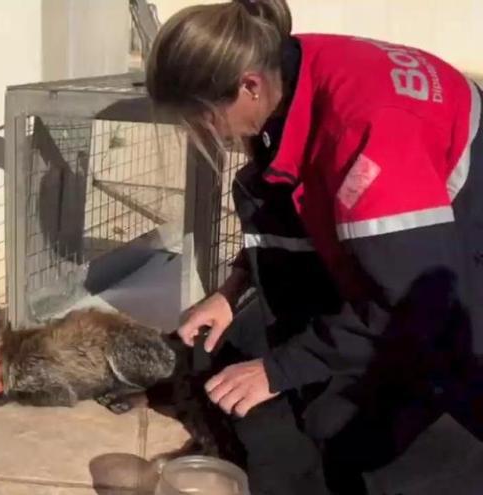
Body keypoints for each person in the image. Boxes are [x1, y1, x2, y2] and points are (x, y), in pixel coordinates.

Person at [146, 0, 482, 493]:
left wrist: (279, 370)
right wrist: (232, 289)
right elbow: (296, 210)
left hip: (453, 249)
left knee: (402, 430)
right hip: (411, 235)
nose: (205, 133)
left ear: (249, 86)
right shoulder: (288, 69)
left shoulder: (370, 138)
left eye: (204, 118)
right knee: (256, 349)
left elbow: (412, 306)